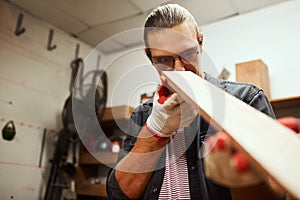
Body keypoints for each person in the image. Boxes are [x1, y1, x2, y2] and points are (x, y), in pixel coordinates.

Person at [106, 3, 297, 200]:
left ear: (200, 42)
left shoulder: (245, 100)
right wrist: (155, 131)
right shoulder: (142, 114)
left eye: (188, 53)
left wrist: (245, 176)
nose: (179, 70)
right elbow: (118, 195)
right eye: (165, 60)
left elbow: (278, 195)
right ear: (150, 57)